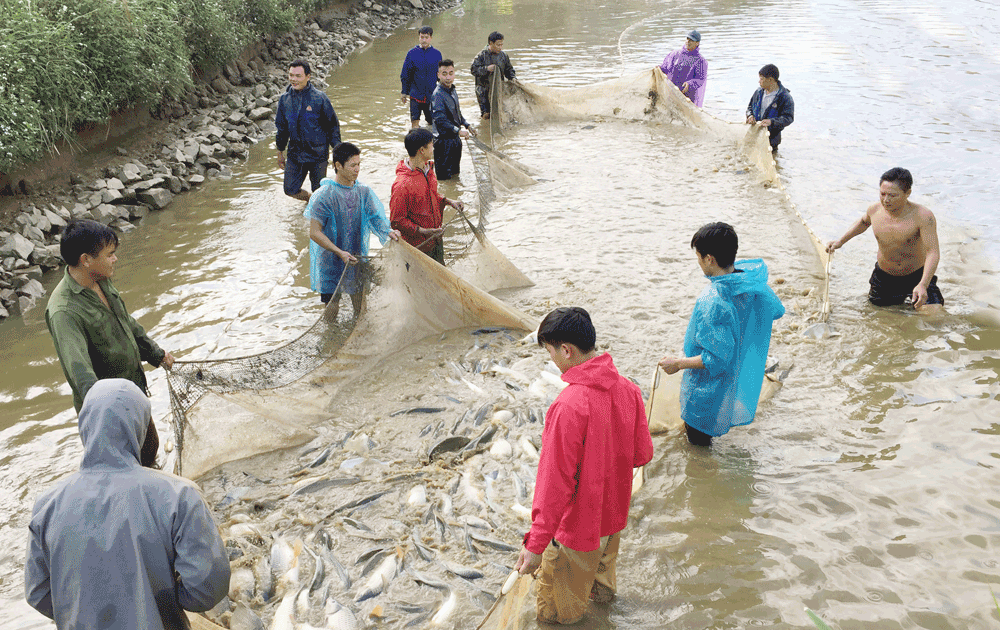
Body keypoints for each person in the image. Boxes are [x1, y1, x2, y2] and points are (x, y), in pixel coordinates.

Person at [24, 379, 230, 630]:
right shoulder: (179, 495)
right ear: (142, 427)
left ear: (85, 427)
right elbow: (208, 588)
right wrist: (160, 600)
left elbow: (38, 592)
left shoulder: (46, 505)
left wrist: (88, 610)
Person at [515, 307, 654, 625]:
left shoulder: (568, 407)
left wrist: (535, 546)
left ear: (565, 350)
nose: (551, 358)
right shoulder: (629, 390)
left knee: (553, 615)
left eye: (549, 351)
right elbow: (643, 455)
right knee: (600, 596)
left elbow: (554, 486)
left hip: (577, 534)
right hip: (613, 521)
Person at [45, 219, 175, 468]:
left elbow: (126, 321)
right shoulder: (64, 311)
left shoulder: (101, 279)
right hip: (108, 411)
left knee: (149, 450)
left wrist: (156, 354)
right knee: (122, 469)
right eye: (110, 254)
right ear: (86, 260)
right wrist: (107, 415)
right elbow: (80, 373)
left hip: (133, 391)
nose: (115, 259)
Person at [658, 223, 785, 447]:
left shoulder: (714, 300)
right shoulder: (748, 281)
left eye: (698, 257)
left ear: (709, 259)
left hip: (705, 391)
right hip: (731, 379)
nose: (698, 263)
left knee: (698, 447)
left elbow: (715, 359)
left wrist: (677, 363)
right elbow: (776, 310)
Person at [304, 142, 401, 320]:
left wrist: (389, 231)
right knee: (332, 306)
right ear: (338, 166)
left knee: (360, 305)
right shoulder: (323, 195)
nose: (357, 170)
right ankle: (331, 341)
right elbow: (314, 232)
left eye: (359, 165)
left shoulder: (363, 192)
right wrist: (339, 252)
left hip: (356, 256)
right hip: (330, 260)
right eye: (352, 165)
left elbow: (375, 218)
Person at [827, 167, 943, 311]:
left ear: (907, 193)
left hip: (917, 276)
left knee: (934, 315)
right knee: (880, 318)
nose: (886, 200)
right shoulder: (874, 210)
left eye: (892, 195)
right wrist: (840, 241)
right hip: (885, 278)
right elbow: (863, 222)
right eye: (882, 194)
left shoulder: (923, 216)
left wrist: (923, 284)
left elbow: (933, 252)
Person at [390, 128, 465, 265]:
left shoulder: (428, 169)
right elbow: (397, 220)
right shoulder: (402, 185)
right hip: (417, 248)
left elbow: (431, 196)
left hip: (435, 239)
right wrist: (424, 231)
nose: (434, 148)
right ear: (421, 150)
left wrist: (448, 201)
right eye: (431, 145)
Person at [275, 59, 342, 201]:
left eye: (298, 76)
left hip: (318, 154)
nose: (293, 79)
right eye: (291, 75)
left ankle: (319, 211)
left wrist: (338, 152)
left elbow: (333, 127)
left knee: (320, 193)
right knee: (289, 189)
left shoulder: (320, 98)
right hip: (295, 154)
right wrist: (280, 151)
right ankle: (309, 200)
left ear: (308, 76)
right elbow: (282, 128)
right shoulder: (284, 100)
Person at [431, 59, 476, 181]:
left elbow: (457, 113)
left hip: (455, 141)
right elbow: (440, 119)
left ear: (454, 74)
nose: (448, 77)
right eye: (444, 74)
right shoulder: (437, 94)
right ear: (438, 75)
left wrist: (467, 125)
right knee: (444, 179)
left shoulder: (453, 90)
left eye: (451, 73)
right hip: (443, 142)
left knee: (456, 175)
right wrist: (458, 131)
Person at [400, 26, 443, 129]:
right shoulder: (412, 53)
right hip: (415, 95)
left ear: (431, 38)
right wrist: (404, 92)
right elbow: (405, 74)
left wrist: (443, 91)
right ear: (419, 38)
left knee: (432, 123)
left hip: (431, 95)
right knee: (415, 124)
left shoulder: (437, 54)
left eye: (426, 37)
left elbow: (441, 75)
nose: (424, 40)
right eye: (422, 37)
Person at [745, 64, 794, 151]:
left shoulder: (784, 97)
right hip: (754, 135)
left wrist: (771, 122)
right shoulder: (759, 92)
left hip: (771, 140)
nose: (759, 81)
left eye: (761, 79)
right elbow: (749, 107)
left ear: (770, 80)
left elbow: (788, 118)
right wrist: (750, 116)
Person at [471, 31, 516, 119]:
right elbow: (473, 70)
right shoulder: (481, 56)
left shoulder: (503, 56)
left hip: (498, 88)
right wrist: (486, 69)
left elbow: (509, 70)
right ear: (491, 43)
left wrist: (513, 78)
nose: (500, 47)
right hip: (483, 90)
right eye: (498, 45)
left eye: (501, 45)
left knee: (500, 112)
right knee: (486, 115)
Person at [658, 30, 707, 107]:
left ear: (697, 43)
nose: (688, 41)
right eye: (687, 39)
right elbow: (666, 68)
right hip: (671, 92)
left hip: (687, 96)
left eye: (691, 40)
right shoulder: (674, 54)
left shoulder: (700, 61)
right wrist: (658, 69)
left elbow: (700, 79)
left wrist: (690, 84)